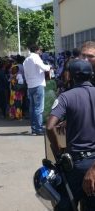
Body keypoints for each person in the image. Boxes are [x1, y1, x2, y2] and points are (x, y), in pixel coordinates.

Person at [46, 59, 95, 210]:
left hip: (77, 165)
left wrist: (59, 151)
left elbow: (49, 127)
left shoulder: (66, 97)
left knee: (63, 202)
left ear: (70, 76)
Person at [23, 44, 51, 135]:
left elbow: (26, 74)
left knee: (32, 108)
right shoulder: (36, 57)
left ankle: (34, 129)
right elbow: (44, 68)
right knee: (39, 108)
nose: (40, 51)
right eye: (40, 50)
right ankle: (39, 129)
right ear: (37, 50)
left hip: (30, 85)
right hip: (38, 84)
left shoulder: (26, 60)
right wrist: (49, 67)